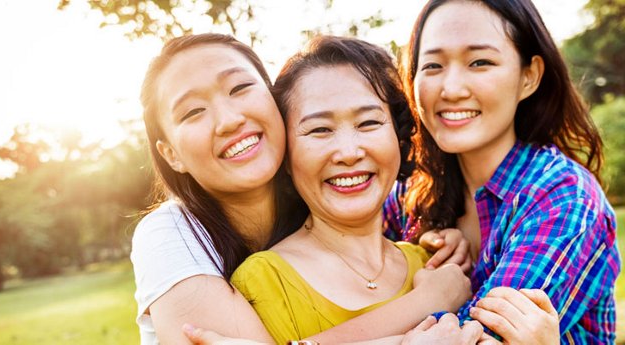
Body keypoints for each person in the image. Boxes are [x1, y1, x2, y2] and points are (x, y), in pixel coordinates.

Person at [131, 33, 472, 345]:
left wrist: (436, 241)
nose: (230, 119)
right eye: (193, 111)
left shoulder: (328, 209)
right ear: (171, 154)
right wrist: (428, 303)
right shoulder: (170, 234)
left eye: (239, 88)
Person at [389, 0, 620, 342]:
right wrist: (408, 257)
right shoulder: (410, 192)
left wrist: (431, 297)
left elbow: (475, 339)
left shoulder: (563, 196)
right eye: (433, 65)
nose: (450, 89)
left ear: (529, 77)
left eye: (479, 62)